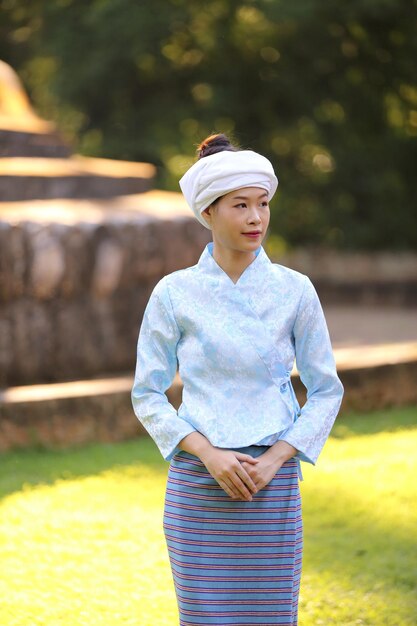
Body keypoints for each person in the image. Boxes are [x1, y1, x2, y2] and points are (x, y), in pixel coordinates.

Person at [131, 133, 344, 626]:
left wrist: (273, 460)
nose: (256, 218)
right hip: (197, 485)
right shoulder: (174, 293)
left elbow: (326, 389)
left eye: (263, 204)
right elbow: (147, 393)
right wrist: (208, 454)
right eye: (240, 205)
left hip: (272, 484)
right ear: (207, 212)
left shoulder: (295, 290)